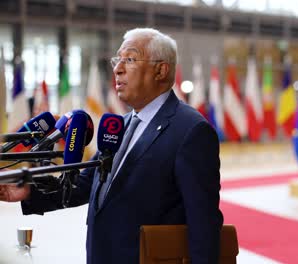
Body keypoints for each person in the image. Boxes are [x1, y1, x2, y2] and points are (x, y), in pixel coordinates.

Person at [0, 28, 224, 264]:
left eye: (130, 59)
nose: (117, 68)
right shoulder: (118, 125)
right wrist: (28, 191)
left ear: (161, 69)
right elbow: (86, 184)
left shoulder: (191, 130)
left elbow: (204, 224)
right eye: (118, 59)